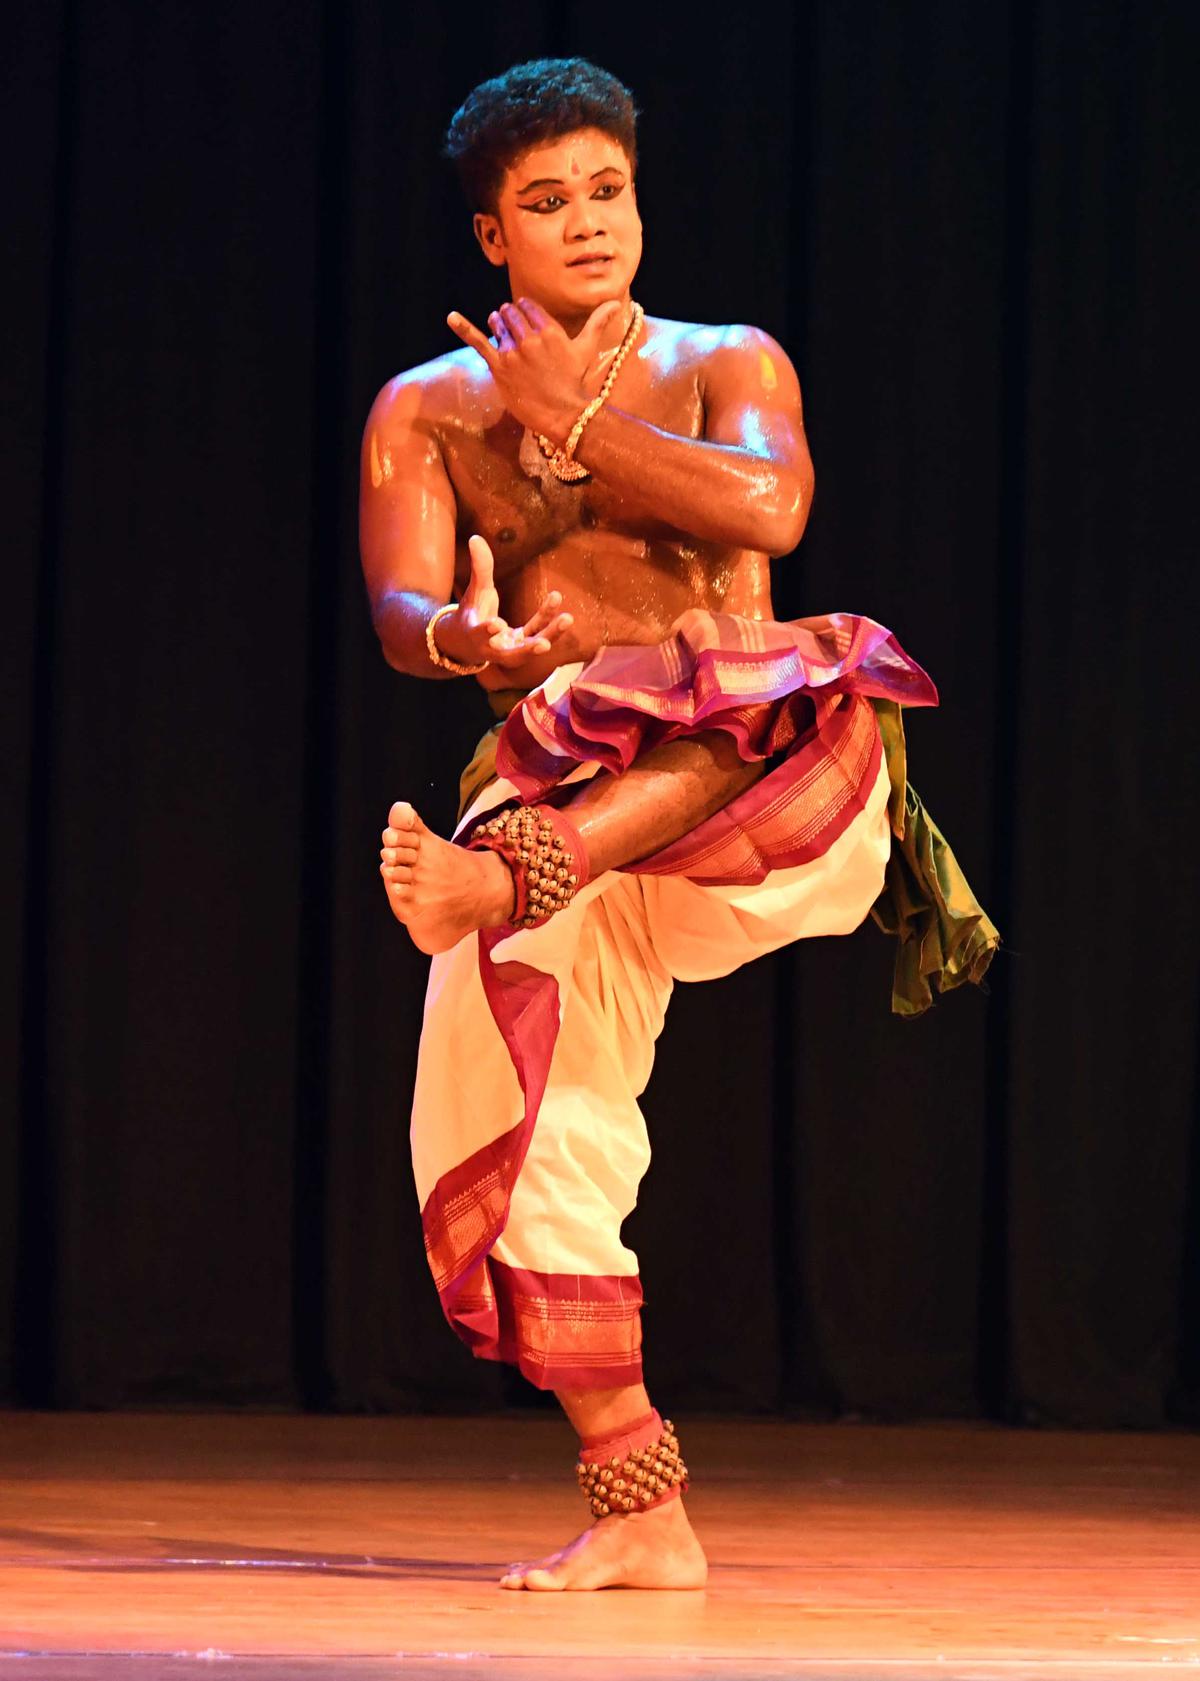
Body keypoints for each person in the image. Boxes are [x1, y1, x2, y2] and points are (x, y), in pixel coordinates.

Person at [359, 57, 997, 1592]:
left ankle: (513, 872)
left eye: (608, 190)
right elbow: (401, 606)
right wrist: (466, 646)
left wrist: (576, 418)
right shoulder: (426, 412)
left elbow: (773, 517)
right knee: (496, 1104)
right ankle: (641, 1501)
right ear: (490, 236)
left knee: (767, 663)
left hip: (765, 797)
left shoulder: (729, 361)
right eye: (545, 202)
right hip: (574, 802)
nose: (587, 223)